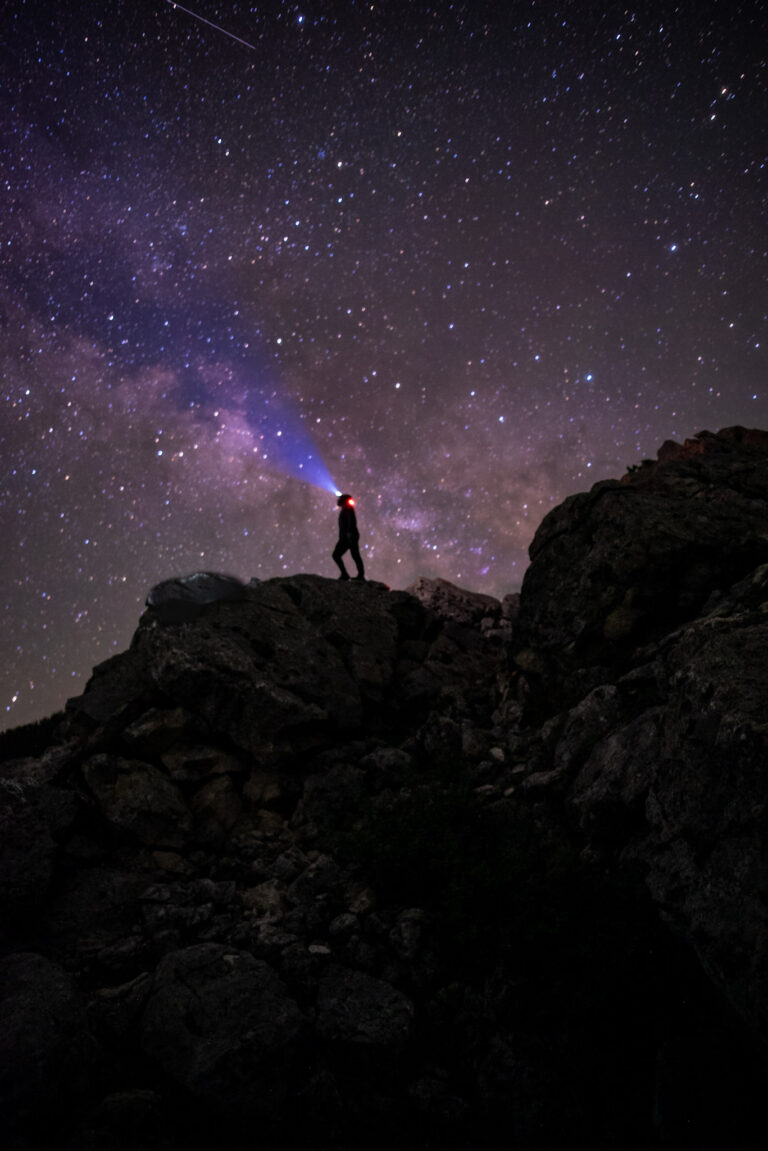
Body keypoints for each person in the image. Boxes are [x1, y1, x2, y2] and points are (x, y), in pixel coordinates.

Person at [332, 493, 365, 581]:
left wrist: (349, 534)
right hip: (347, 537)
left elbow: (351, 522)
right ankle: (356, 575)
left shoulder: (348, 509)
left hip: (348, 537)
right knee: (354, 555)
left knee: (340, 555)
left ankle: (351, 575)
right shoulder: (346, 510)